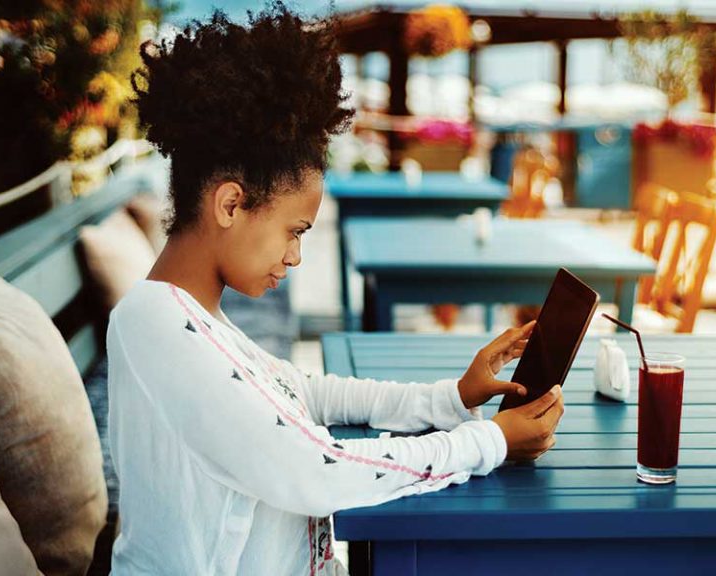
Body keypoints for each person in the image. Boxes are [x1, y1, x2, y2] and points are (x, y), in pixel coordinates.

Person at [107, 4, 565, 575]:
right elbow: (315, 470)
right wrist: (489, 442)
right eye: (294, 232)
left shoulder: (193, 318)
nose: (296, 256)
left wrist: (451, 399)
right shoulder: (153, 323)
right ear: (230, 203)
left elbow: (305, 392)